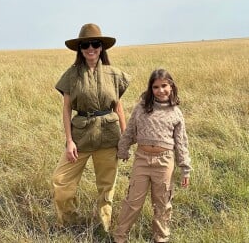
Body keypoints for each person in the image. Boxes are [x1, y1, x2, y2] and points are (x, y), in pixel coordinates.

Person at [52, 23, 131, 233]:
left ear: (101, 47)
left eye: (95, 44)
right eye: (85, 44)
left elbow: (119, 108)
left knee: (107, 188)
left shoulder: (114, 74)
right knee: (61, 182)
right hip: (81, 137)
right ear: (80, 48)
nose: (90, 48)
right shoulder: (72, 74)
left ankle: (102, 226)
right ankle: (70, 223)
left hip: (109, 136)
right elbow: (67, 109)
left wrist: (125, 138)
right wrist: (69, 141)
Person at [113, 68, 192, 243]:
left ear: (171, 86)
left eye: (164, 86)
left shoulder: (175, 112)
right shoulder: (141, 108)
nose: (160, 90)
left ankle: (161, 237)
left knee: (162, 203)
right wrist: (123, 149)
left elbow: (181, 143)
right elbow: (130, 130)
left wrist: (185, 169)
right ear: (151, 89)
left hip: (164, 162)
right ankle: (120, 237)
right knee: (133, 201)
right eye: (156, 87)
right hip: (141, 160)